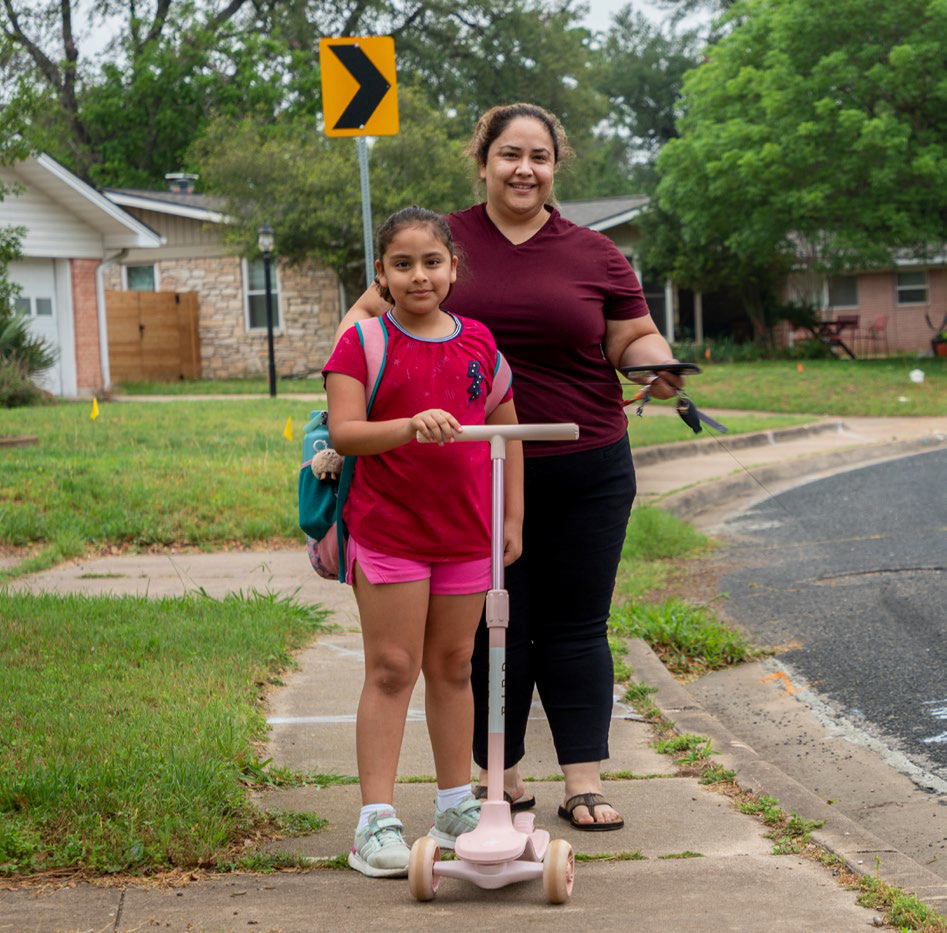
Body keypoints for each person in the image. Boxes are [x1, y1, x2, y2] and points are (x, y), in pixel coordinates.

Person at [336, 104, 682, 832]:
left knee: (579, 625)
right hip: (467, 476)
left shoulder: (593, 252)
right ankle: (503, 775)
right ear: (483, 161)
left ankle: (583, 779)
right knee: (498, 630)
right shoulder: (439, 240)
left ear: (555, 166)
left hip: (586, 462)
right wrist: (352, 409)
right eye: (508, 154)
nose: (524, 168)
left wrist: (660, 369)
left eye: (539, 156)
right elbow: (363, 330)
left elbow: (633, 335)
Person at [323, 206, 523, 877]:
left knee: (454, 665)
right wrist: (409, 425)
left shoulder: (480, 342)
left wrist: (511, 520)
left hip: (466, 535)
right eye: (402, 264)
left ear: (453, 268)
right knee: (391, 666)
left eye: (431, 261)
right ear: (380, 273)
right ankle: (374, 821)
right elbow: (345, 433)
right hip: (389, 534)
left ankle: (454, 803)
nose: (418, 275)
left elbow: (506, 435)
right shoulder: (362, 343)